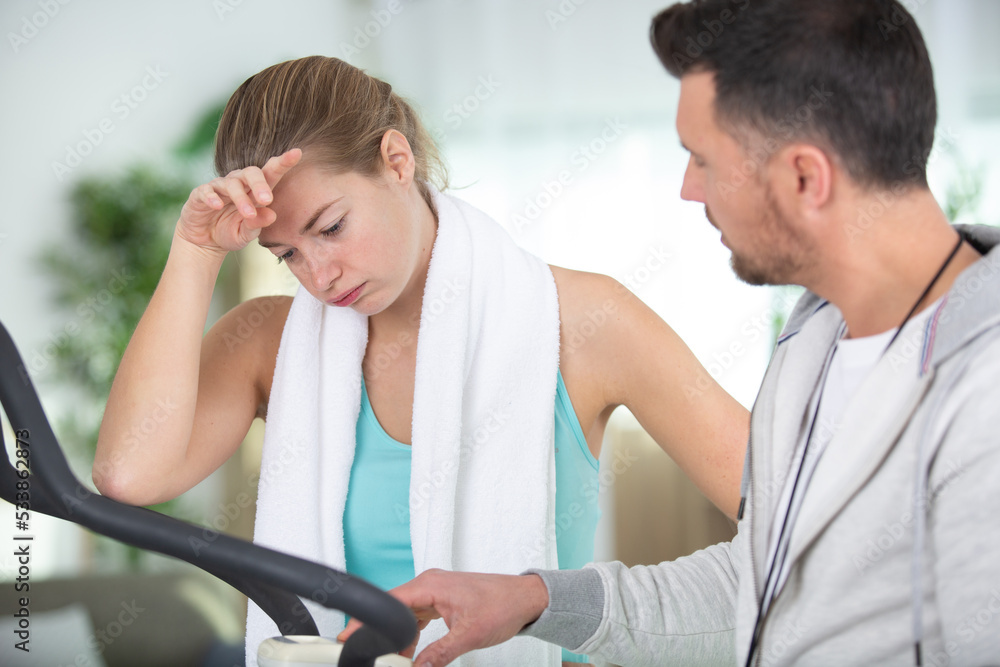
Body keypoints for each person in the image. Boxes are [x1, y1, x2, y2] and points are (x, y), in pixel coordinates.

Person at [338, 1, 1000, 665]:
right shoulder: (817, 342)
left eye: (702, 159)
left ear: (805, 176)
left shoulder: (984, 392)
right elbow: (765, 583)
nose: (688, 189)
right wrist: (533, 599)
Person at [92, 56, 750, 666]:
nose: (318, 275)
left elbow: (786, 515)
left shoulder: (582, 322)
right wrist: (196, 251)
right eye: (286, 253)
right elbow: (129, 476)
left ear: (396, 160)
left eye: (331, 227)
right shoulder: (269, 340)